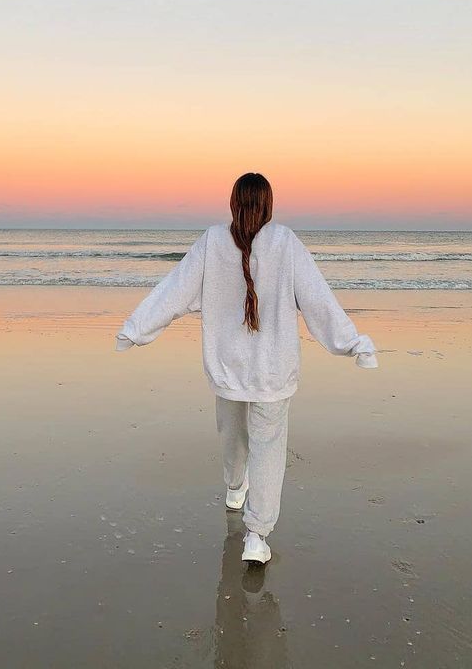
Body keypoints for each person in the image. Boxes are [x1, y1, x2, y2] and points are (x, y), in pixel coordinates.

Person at [114, 172, 378, 564]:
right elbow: (318, 300)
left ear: (233, 203)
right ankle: (257, 536)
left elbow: (174, 291)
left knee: (231, 436)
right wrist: (355, 344)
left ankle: (235, 488)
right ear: (268, 205)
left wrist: (135, 329)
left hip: (227, 368)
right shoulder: (284, 242)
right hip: (273, 370)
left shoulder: (212, 241)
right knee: (268, 448)